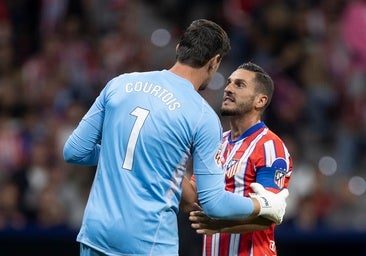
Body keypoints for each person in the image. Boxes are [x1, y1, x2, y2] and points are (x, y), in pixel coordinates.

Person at [62, 19, 289, 256]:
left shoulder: (119, 84)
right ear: (214, 62)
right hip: (148, 243)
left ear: (179, 47)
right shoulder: (202, 115)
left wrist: (119, 153)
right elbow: (214, 204)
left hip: (95, 235)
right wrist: (262, 204)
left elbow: (74, 151)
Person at [186, 62, 293, 256]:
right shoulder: (216, 142)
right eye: (229, 83)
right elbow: (193, 195)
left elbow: (270, 214)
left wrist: (222, 226)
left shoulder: (270, 147)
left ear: (259, 101)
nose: (228, 88)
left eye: (239, 85)